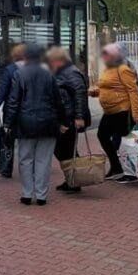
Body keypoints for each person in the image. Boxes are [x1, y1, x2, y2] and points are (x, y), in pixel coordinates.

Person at [5, 43, 67, 205]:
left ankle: (27, 193)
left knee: (25, 158)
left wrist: (8, 123)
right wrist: (62, 120)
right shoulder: (49, 74)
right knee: (43, 160)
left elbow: (13, 101)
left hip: (25, 123)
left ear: (26, 56)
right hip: (48, 122)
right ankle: (41, 195)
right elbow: (57, 100)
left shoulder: (19, 74)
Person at [91, 43, 138, 183]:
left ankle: (129, 171)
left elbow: (133, 91)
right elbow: (106, 87)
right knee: (103, 136)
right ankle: (117, 167)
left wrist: (136, 114)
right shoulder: (108, 69)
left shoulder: (123, 69)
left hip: (122, 110)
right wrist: (95, 92)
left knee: (126, 141)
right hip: (110, 111)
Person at [48, 46, 90, 194]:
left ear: (58, 60)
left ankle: (74, 181)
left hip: (70, 119)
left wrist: (79, 117)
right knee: (64, 150)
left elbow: (80, 94)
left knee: (66, 150)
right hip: (67, 117)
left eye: (51, 61)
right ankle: (71, 180)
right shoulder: (65, 71)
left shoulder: (70, 72)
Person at [0, 43, 26, 179]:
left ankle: (6, 168)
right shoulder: (33, 69)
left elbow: (2, 90)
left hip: (11, 111)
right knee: (25, 141)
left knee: (8, 140)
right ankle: (26, 168)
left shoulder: (10, 70)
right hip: (27, 111)